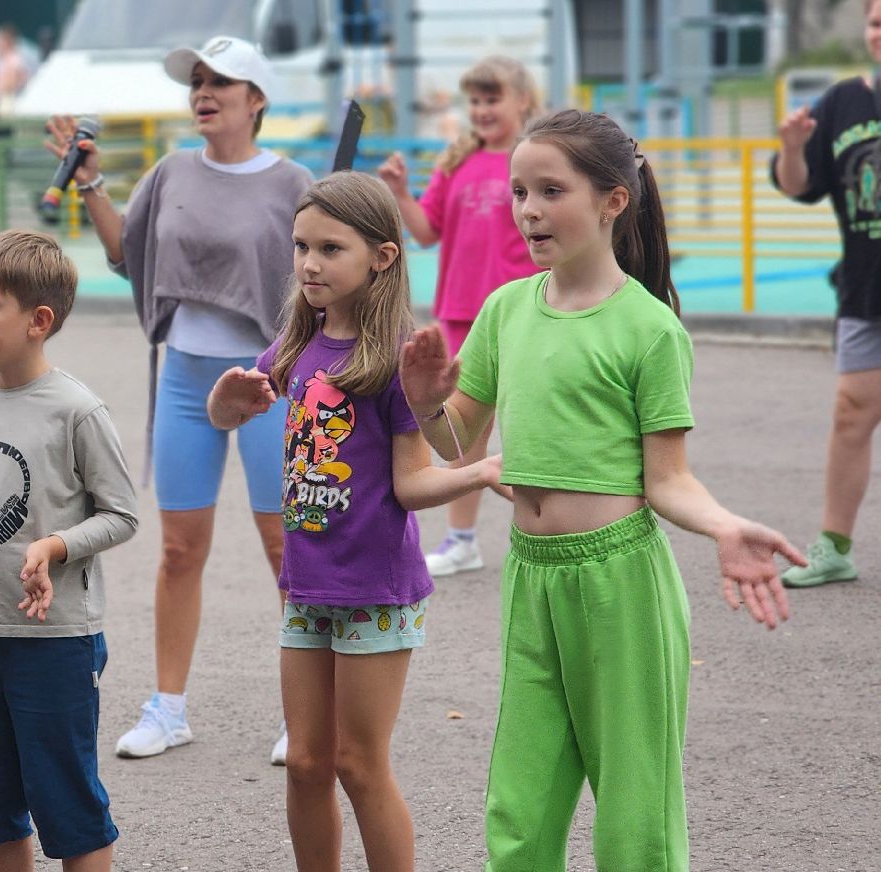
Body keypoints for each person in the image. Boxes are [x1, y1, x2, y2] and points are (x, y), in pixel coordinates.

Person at [400, 109, 805, 870]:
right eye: (521, 191)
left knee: (635, 815)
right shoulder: (504, 310)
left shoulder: (649, 329)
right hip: (532, 577)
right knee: (519, 810)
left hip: (622, 582)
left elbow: (668, 479)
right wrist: (425, 402)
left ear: (613, 200)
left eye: (552, 190)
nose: (528, 210)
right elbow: (459, 444)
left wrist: (722, 527)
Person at [208, 174, 501, 872]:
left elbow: (414, 480)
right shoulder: (293, 347)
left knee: (358, 764)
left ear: (382, 257)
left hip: (374, 589)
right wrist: (225, 400)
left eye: (330, 248)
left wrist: (479, 473)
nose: (309, 263)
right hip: (306, 586)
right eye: (301, 246)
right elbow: (229, 416)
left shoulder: (396, 361)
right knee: (306, 762)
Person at [47, 35, 313, 764]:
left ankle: (304, 710)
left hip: (270, 380)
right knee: (176, 549)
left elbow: (330, 275)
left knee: (282, 545)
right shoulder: (170, 172)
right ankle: (168, 709)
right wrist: (91, 184)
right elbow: (126, 256)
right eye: (196, 81)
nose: (203, 92)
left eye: (220, 81)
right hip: (185, 377)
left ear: (256, 99)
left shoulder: (295, 183)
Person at [0, 229, 139, 872]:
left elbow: (121, 515)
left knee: (67, 800)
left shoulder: (77, 410)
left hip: (55, 639)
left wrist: (57, 545)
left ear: (39, 321)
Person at [376, 56, 541, 576]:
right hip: (461, 314)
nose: (482, 109)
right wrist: (401, 194)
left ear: (522, 101)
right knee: (463, 431)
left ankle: (545, 526)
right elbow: (426, 232)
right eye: (475, 100)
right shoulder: (456, 162)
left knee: (531, 423)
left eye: (493, 99)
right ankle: (462, 538)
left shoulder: (533, 161)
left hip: (521, 312)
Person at [770, 0, 881, 588]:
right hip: (866, 290)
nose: (879, 35)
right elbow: (796, 184)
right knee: (851, 413)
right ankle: (835, 546)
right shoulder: (844, 102)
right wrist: (792, 147)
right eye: (875, 23)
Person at [0, 25, 30, 118]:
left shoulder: (13, 60)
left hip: (7, 103)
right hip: (1, 102)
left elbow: (10, 85)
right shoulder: (4, 60)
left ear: (8, 42)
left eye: (0, 40)